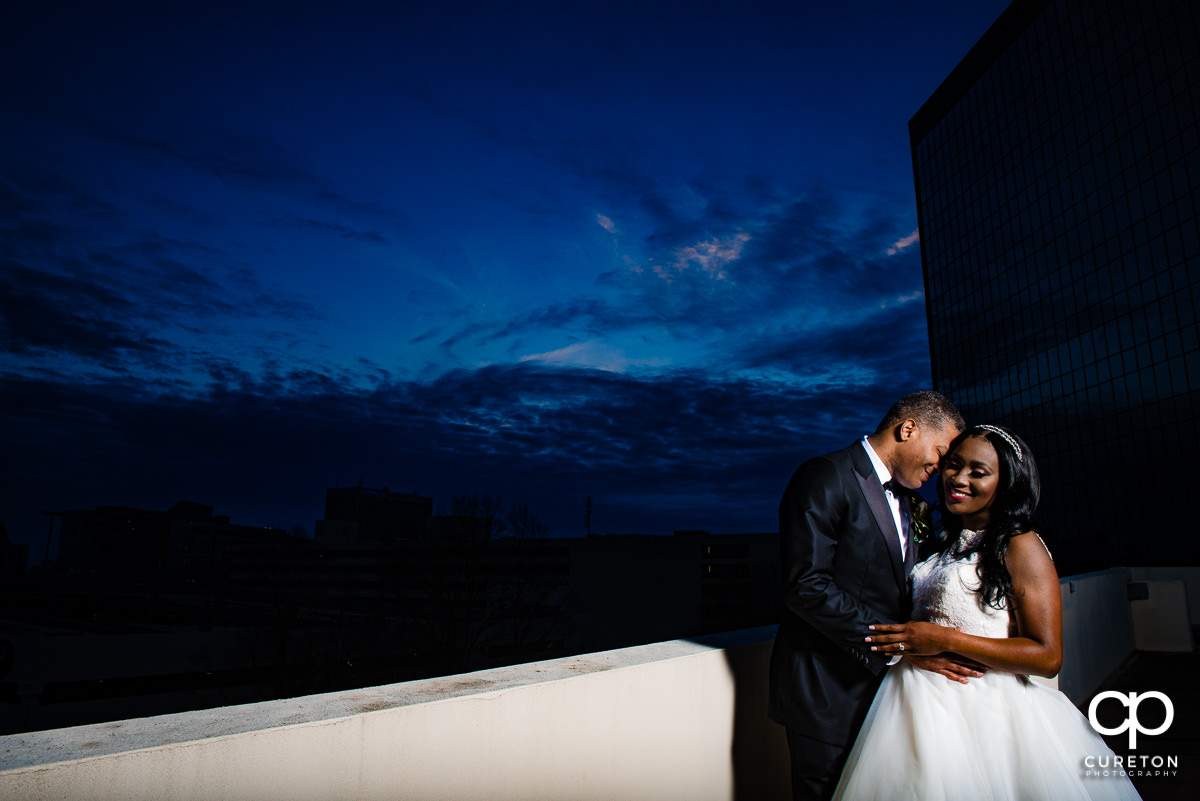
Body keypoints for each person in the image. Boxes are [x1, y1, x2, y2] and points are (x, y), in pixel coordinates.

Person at [832, 424, 1141, 800]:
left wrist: (943, 639)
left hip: (987, 715)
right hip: (914, 708)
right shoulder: (939, 543)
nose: (958, 479)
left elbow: (1047, 656)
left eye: (978, 472)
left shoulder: (1020, 545)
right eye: (954, 465)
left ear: (1006, 484)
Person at [768, 391, 971, 801]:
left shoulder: (913, 501)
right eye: (940, 451)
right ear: (908, 429)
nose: (941, 466)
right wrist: (899, 644)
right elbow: (805, 585)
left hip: (886, 695)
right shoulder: (826, 474)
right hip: (826, 693)